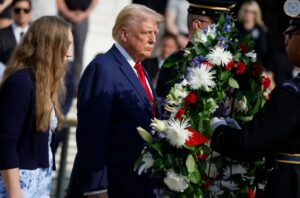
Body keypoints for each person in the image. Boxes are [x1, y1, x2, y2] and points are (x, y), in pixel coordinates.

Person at [67, 4, 163, 198]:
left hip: (135, 184)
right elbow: (93, 134)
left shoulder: (140, 69)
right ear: (124, 34)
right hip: (110, 186)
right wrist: (97, 188)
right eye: (146, 33)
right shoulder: (103, 69)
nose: (153, 39)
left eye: (155, 33)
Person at [210, 17, 300, 198]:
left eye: (291, 34)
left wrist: (219, 130)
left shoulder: (292, 94)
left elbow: (250, 143)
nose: (285, 38)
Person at [0, 16, 72, 198]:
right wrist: (15, 193)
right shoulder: (20, 83)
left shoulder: (45, 83)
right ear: (50, 46)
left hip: (39, 182)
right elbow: (5, 142)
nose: (69, 53)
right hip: (18, 184)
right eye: (65, 45)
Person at [156, 0, 237, 98]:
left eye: (226, 25)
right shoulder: (178, 63)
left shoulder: (230, 61)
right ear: (197, 25)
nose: (224, 31)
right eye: (218, 25)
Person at [57, 0, 98, 93]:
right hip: (64, 17)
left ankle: (75, 86)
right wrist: (69, 14)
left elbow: (95, 2)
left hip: (82, 18)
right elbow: (59, 2)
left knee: (79, 53)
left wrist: (84, 14)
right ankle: (58, 82)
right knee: (60, 51)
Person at [0, 0, 32, 67]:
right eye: (17, 10)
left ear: (30, 13)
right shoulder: (1, 34)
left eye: (26, 10)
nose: (21, 13)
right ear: (11, 11)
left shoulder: (37, 34)